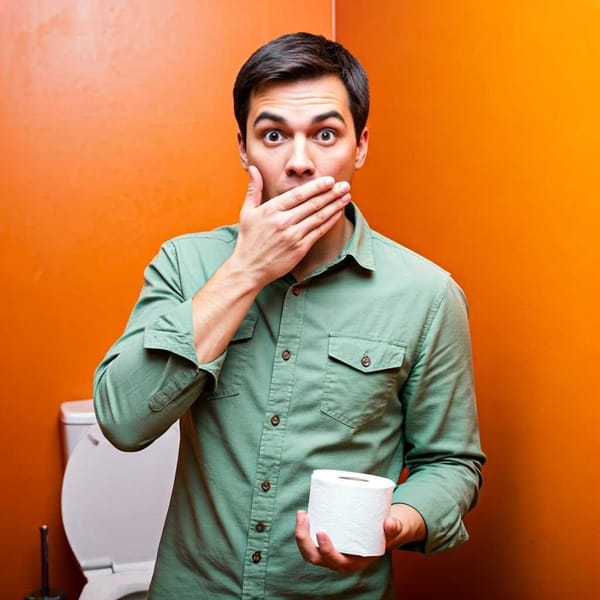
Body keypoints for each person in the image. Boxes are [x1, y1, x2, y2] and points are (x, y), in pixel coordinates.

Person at [94, 32, 485, 600]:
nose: (300, 163)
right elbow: (122, 421)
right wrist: (245, 271)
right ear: (243, 149)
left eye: (325, 134)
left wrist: (397, 520)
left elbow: (452, 463)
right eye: (273, 135)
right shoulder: (185, 263)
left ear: (361, 145)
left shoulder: (427, 294)